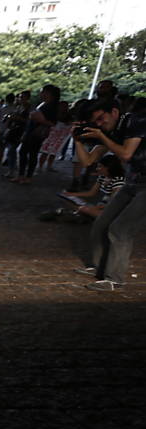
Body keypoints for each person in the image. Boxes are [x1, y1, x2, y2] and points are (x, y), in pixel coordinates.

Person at [73, 98, 146, 291]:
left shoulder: (135, 121)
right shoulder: (110, 131)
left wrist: (102, 136)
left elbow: (126, 154)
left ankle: (114, 279)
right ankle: (99, 268)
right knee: (102, 224)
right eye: (96, 122)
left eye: (101, 119)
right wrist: (77, 140)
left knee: (120, 229)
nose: (100, 124)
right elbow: (88, 161)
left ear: (114, 112)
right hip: (133, 182)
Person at [40, 155, 125, 223]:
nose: (97, 169)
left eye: (100, 167)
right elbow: (91, 193)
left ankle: (76, 215)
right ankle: (80, 216)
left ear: (109, 167)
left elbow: (114, 203)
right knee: (68, 200)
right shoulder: (103, 176)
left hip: (110, 210)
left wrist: (97, 208)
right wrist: (71, 195)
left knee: (83, 209)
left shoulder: (119, 181)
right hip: (100, 206)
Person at [12, 85, 60, 184]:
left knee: (31, 154)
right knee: (23, 153)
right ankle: (22, 175)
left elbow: (52, 122)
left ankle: (28, 176)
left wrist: (42, 120)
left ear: (48, 93)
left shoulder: (51, 106)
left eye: (42, 92)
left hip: (37, 133)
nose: (40, 94)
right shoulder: (43, 104)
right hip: (31, 131)